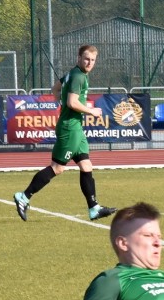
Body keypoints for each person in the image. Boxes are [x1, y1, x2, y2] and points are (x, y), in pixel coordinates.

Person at [13, 45, 116, 222]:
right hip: (70, 128)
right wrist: (91, 111)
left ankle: (94, 208)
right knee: (57, 168)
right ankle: (24, 196)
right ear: (78, 58)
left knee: (86, 166)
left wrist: (61, 102)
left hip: (75, 127)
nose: (89, 63)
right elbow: (72, 102)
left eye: (92, 60)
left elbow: (55, 88)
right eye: (86, 59)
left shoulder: (74, 74)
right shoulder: (78, 76)